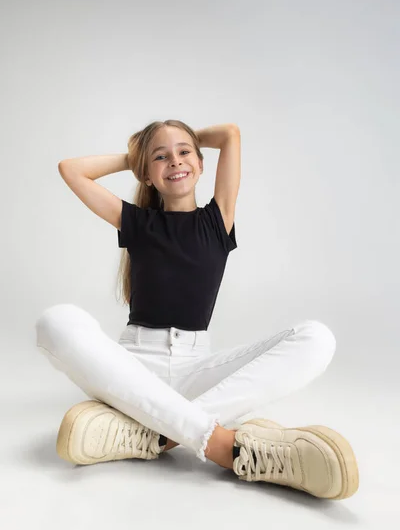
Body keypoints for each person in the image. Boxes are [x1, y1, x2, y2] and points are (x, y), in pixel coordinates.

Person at [35, 120, 359, 500]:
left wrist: (175, 141)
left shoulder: (217, 219)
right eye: (161, 157)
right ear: (149, 174)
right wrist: (136, 157)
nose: (175, 161)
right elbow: (71, 169)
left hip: (195, 371)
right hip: (133, 367)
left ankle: (153, 433)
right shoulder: (137, 222)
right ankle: (223, 445)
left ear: (202, 165)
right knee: (54, 322)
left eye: (184, 152)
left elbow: (230, 134)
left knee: (317, 338)